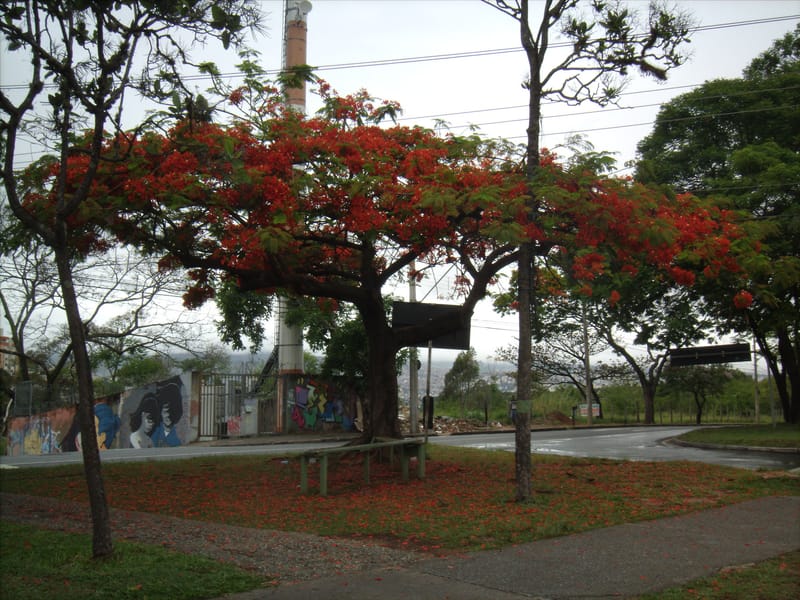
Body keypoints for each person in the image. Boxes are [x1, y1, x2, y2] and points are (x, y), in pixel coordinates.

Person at [151, 378, 183, 447]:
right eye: (165, 411)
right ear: (161, 411)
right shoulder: (154, 431)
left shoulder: (178, 435)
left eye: (171, 411)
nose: (168, 415)